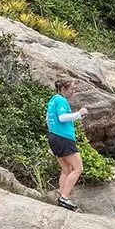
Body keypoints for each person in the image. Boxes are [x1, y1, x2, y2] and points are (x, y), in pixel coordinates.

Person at [46, 79, 87, 211]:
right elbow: (62, 117)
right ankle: (65, 197)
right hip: (63, 138)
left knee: (66, 169)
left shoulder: (52, 100)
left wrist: (53, 132)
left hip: (54, 136)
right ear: (63, 89)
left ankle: (62, 196)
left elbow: (48, 119)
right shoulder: (61, 100)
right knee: (78, 168)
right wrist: (78, 113)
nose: (73, 92)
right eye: (71, 89)